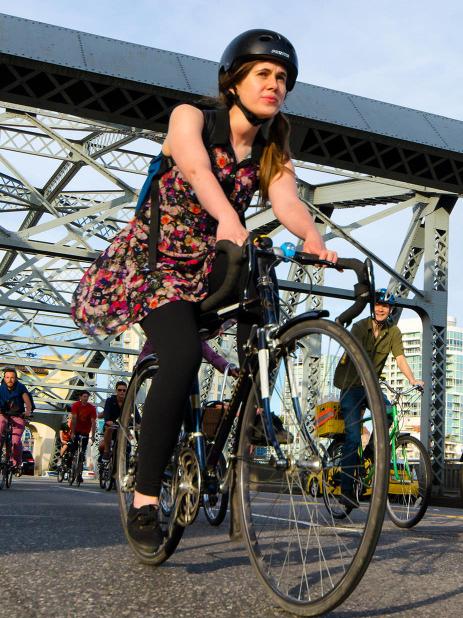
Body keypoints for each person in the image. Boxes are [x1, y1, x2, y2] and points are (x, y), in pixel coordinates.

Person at [71, 29, 337, 550]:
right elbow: (193, 168)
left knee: (260, 308)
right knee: (181, 353)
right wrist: (227, 217)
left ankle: (241, 423)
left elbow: (286, 201)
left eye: (282, 77)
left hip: (213, 261)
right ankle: (146, 502)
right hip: (156, 263)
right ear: (233, 81)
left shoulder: (270, 148)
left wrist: (313, 236)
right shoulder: (191, 118)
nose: (275, 84)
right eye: (263, 73)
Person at [332, 290, 424, 508]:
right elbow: (352, 352)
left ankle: (372, 449)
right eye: (377, 305)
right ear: (372, 307)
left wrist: (413, 380)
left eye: (386, 306)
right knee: (353, 438)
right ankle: (346, 491)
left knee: (388, 413)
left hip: (370, 386)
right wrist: (361, 373)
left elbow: (400, 357)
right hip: (351, 386)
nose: (381, 309)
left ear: (390, 310)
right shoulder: (359, 327)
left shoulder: (393, 332)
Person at [0, 367, 33, 474]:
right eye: (7, 377)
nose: (10, 380)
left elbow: (27, 401)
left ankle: (17, 464)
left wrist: (28, 411)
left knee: (16, 441)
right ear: (4, 378)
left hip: (18, 415)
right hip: (4, 414)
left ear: (16, 379)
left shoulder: (21, 388)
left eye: (12, 378)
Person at [68, 391, 98, 483]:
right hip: (76, 429)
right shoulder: (76, 406)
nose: (86, 398)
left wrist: (93, 435)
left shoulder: (92, 408)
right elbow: (74, 419)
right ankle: (69, 459)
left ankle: (79, 474)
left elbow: (93, 422)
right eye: (84, 396)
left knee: (82, 453)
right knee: (73, 448)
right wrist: (72, 433)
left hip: (85, 431)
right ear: (80, 397)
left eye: (87, 397)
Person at [98, 381, 127, 461]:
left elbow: (136, 414)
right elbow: (106, 412)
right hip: (111, 426)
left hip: (121, 428)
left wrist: (139, 423)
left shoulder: (128, 402)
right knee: (109, 430)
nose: (122, 392)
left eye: (124, 390)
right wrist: (108, 421)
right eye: (120, 390)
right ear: (116, 391)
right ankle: (106, 451)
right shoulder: (110, 401)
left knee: (128, 445)